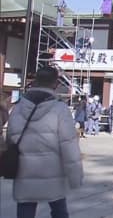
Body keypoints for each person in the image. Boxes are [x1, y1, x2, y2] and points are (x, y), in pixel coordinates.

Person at [7, 66, 83, 218]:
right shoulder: (60, 108)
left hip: (25, 170)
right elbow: (69, 145)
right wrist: (75, 177)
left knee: (25, 208)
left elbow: (11, 138)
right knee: (59, 210)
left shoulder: (19, 107)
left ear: (35, 81)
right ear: (55, 84)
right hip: (52, 171)